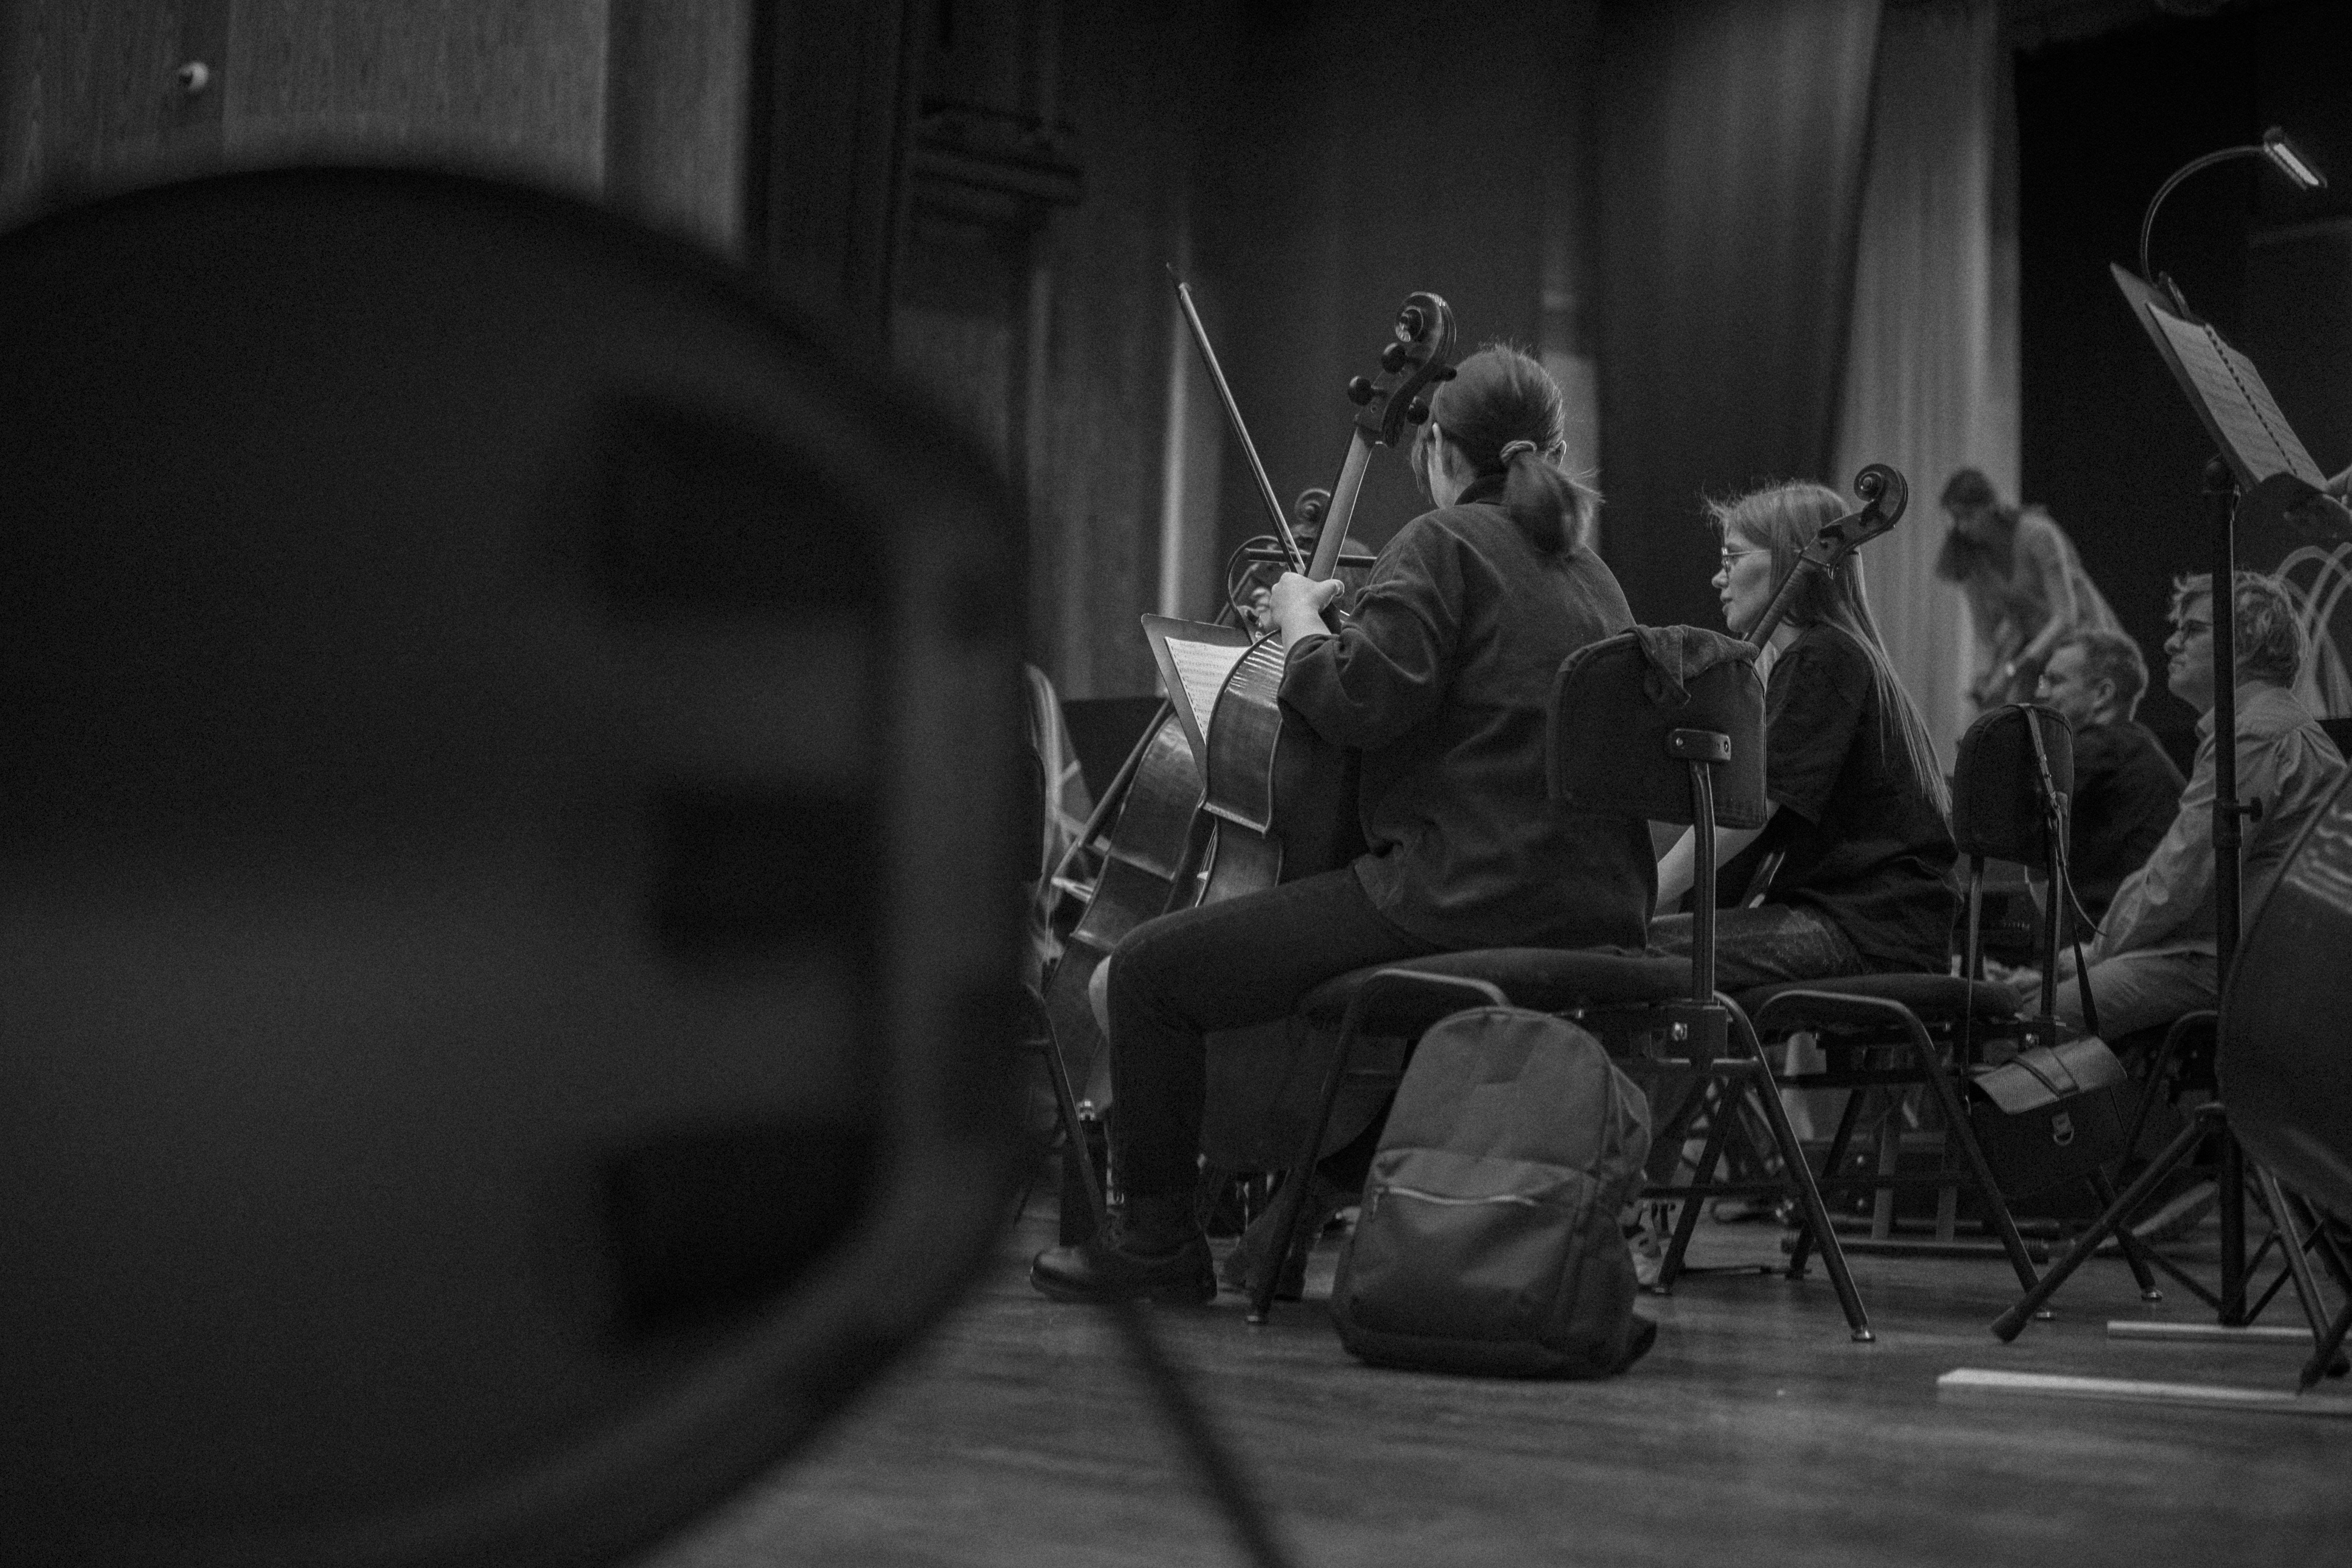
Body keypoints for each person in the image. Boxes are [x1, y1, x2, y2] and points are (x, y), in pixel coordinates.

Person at [1029, 345, 1652, 1304]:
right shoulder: (1593, 577)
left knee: (1147, 973)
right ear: (1551, 454)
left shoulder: (1442, 543)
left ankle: (1157, 1246)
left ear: (1440, 450)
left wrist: (1297, 618)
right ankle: (1290, 1213)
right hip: (1592, 907)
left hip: (1458, 893)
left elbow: (1359, 701)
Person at [1651, 480, 1959, 991]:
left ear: (1790, 559)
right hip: (1870, 925)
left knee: (1635, 952)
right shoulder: (1832, 656)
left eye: (1732, 558)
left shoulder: (1824, 658)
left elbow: (1751, 811)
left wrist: (1648, 893)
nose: (1717, 577)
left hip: (1863, 929)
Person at [2039, 572, 2344, 1039]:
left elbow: (2178, 881)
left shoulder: (2252, 735)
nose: (2170, 644)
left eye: (2192, 630)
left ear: (2245, 644)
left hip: (2233, 967)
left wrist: (2097, 951)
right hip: (2261, 961)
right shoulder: (2281, 728)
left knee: (2030, 1021)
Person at [1935, 467, 2121, 709]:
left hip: (2088, 639)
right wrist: (1991, 676)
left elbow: (2066, 617)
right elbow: (1988, 634)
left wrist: (2014, 668)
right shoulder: (1973, 559)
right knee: (2028, 712)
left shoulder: (2037, 534)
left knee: (2082, 712)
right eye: (1956, 519)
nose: (1962, 527)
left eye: (1969, 516)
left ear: (1991, 506)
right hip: (2042, 654)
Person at [2032, 629, 2184, 924]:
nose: (2041, 694)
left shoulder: (2102, 748)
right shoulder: (2133, 745)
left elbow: (2007, 806)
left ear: (2103, 695)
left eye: (2056, 681)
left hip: (2120, 937)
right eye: (2043, 681)